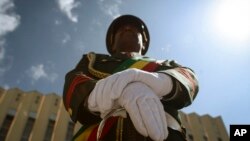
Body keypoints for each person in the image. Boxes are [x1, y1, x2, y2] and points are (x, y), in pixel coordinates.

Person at [63, 15, 199, 141]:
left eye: (135, 29)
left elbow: (189, 78)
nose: (127, 28)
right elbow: (73, 80)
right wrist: (96, 96)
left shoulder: (166, 65)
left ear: (144, 43)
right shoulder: (92, 60)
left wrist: (163, 82)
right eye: (121, 29)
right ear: (112, 44)